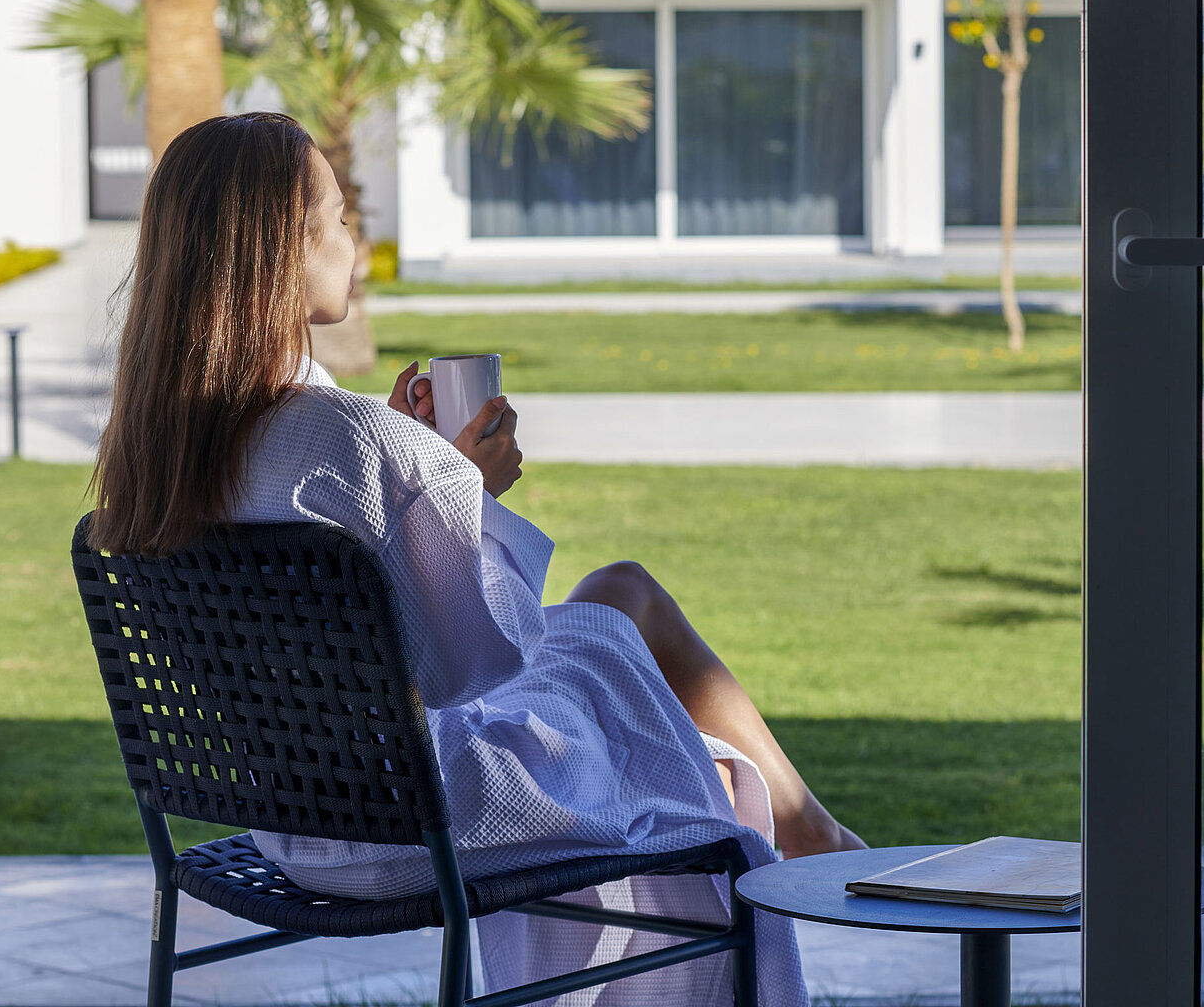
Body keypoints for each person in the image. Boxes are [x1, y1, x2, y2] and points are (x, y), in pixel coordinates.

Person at [89, 112, 863, 1006]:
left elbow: (361, 638)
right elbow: (468, 668)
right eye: (338, 219)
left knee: (618, 603)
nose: (354, 241)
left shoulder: (163, 457)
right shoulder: (350, 439)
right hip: (425, 822)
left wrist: (421, 479)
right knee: (656, 696)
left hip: (294, 831)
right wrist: (466, 491)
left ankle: (805, 825)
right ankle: (808, 833)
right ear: (281, 251)